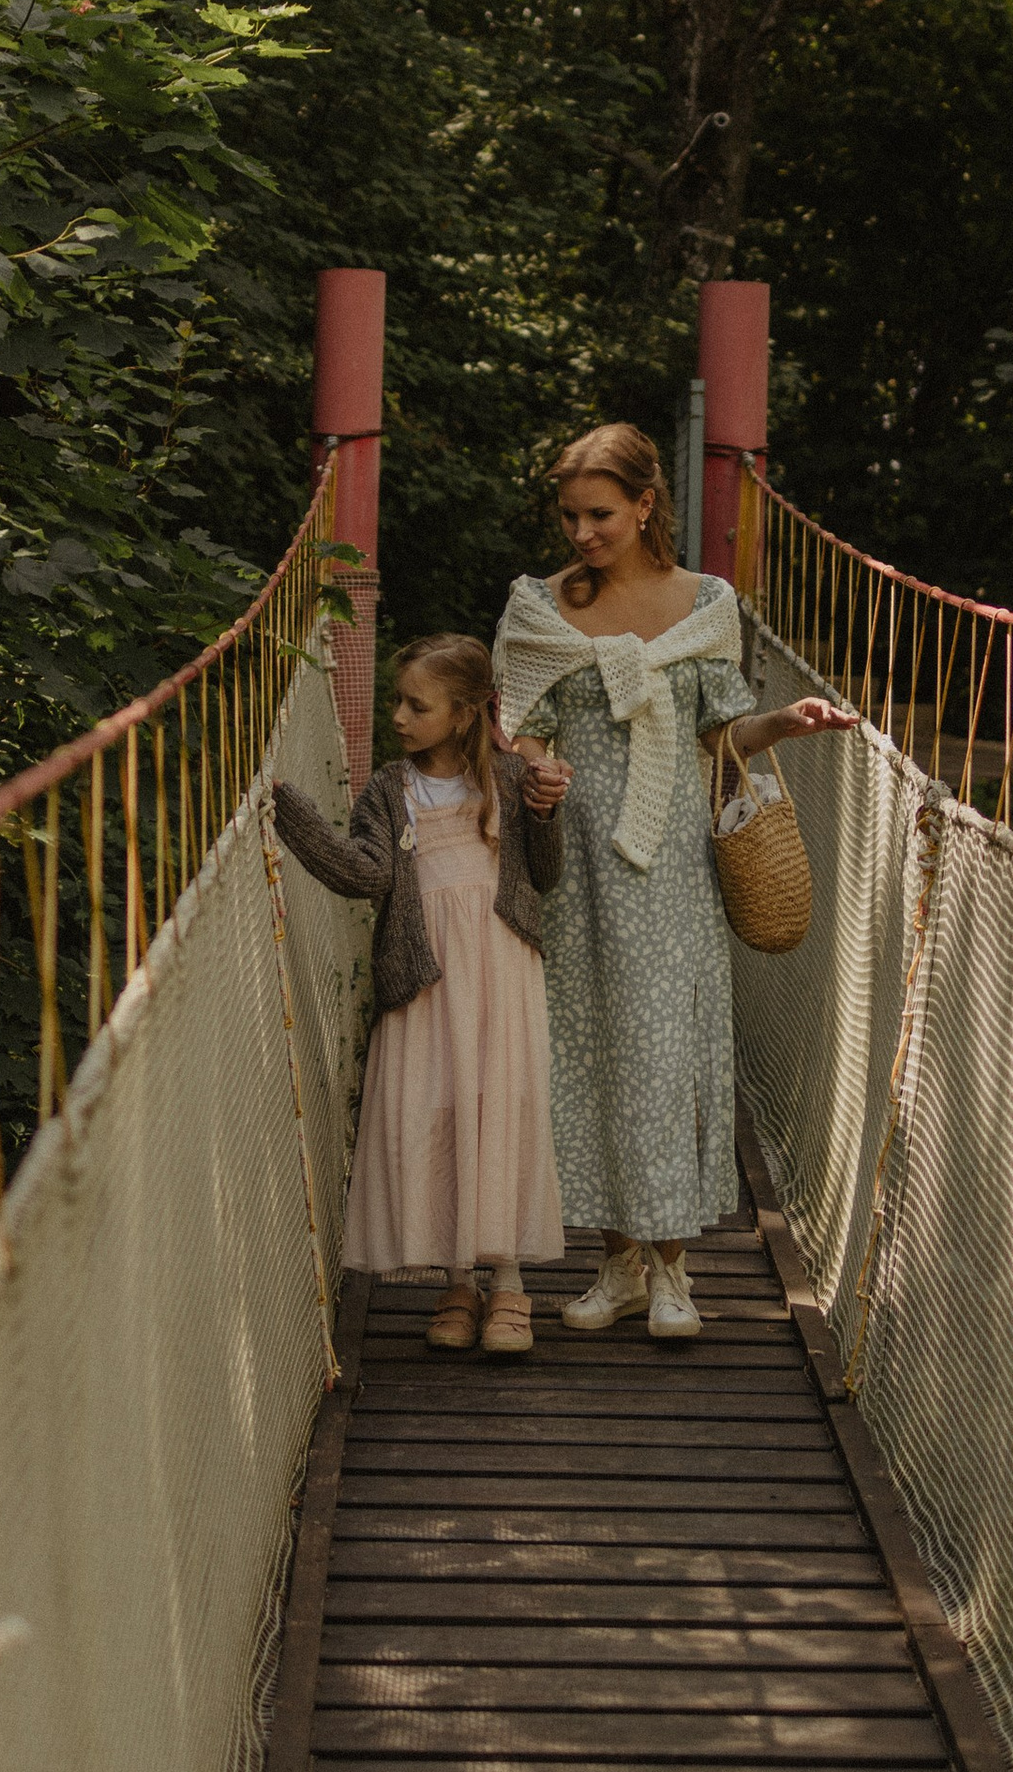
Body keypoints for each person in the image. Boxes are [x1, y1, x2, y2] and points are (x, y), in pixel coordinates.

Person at [497, 422, 852, 1340]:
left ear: (647, 505)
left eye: (601, 514)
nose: (582, 534)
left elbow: (718, 734)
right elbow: (521, 720)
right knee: (589, 1050)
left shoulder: (707, 605)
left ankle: (674, 1273)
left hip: (669, 865)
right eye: (570, 516)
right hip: (571, 858)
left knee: (663, 1054)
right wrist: (535, 766)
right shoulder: (541, 608)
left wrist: (787, 722)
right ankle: (615, 1266)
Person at [271, 633, 567, 1353]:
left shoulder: (509, 775)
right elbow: (367, 875)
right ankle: (458, 1280)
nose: (398, 716)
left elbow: (547, 873)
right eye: (397, 701)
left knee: (497, 1104)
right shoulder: (387, 789)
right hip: (425, 967)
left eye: (416, 705)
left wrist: (545, 811)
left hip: (500, 960)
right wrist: (291, 817)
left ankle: (511, 1284)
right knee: (436, 1105)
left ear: (465, 714)